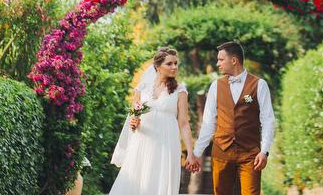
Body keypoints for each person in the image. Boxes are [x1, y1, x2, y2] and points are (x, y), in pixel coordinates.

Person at [186, 41, 276, 195]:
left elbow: (268, 120)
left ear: (233, 60)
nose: (217, 64)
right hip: (222, 151)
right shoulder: (215, 86)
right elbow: (208, 123)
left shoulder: (259, 85)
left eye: (221, 60)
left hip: (250, 154)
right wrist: (197, 152)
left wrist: (264, 151)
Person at [109, 47, 196, 195]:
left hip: (166, 144)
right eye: (169, 64)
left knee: (159, 183)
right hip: (143, 142)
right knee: (137, 182)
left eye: (176, 63)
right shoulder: (142, 88)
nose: (174, 67)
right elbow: (133, 117)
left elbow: (183, 123)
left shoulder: (180, 90)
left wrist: (190, 152)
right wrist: (134, 123)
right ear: (157, 66)